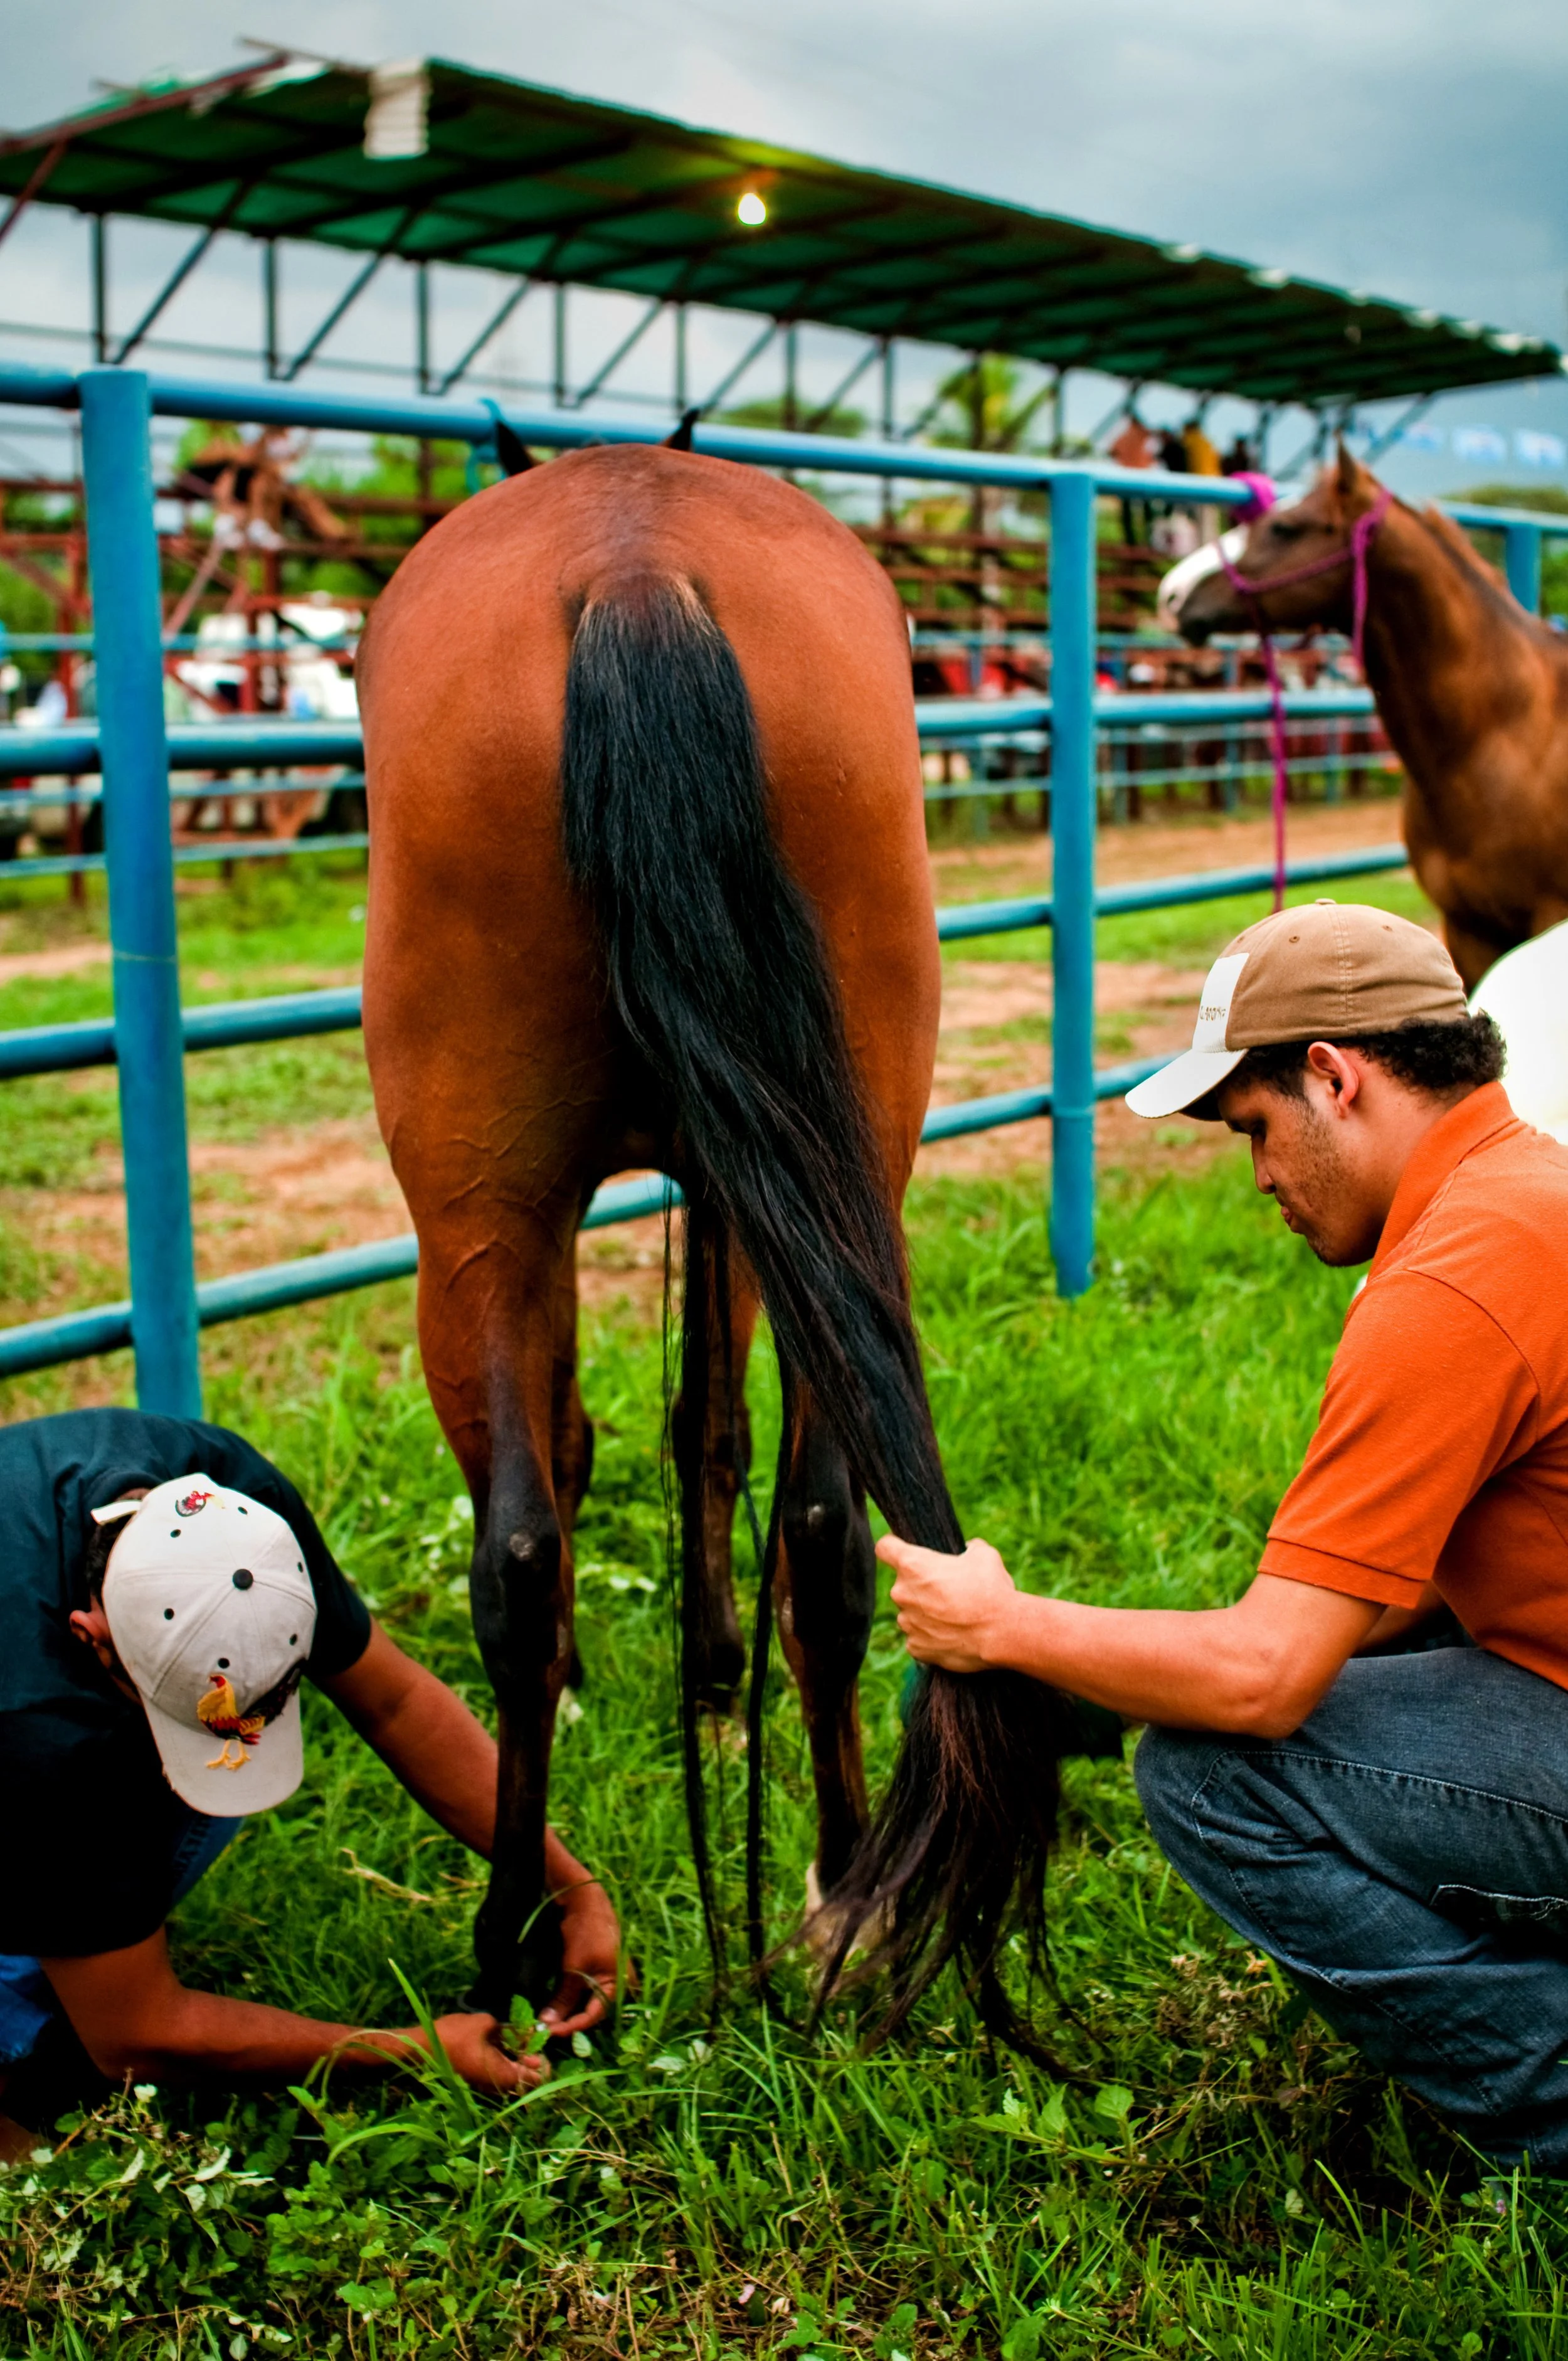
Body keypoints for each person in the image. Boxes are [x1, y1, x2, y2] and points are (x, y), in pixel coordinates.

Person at [880, 900, 1568, 2172]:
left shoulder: (1448, 1283)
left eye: (1253, 1129)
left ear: (1332, 1076)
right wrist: (1072, 1668)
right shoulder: (1523, 1192)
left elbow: (1264, 1677)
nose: (1256, 1176)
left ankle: (1547, 2096)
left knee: (1212, 1776)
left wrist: (1002, 1624)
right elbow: (1380, 1603)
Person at [0, 1409, 622, 2152]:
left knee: (167, 1788)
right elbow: (137, 2035)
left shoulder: (230, 1509)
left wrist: (572, 1887)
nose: (241, 1742)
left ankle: (70, 1933)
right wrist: (413, 2048)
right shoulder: (36, 1716)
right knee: (33, 2118)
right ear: (88, 1634)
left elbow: (395, 1702)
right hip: (23, 1729)